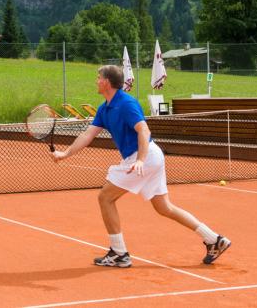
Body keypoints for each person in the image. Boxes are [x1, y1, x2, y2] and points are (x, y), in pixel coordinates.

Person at [52, 65, 230, 268]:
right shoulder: (105, 108)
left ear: (106, 82)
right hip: (147, 158)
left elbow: (143, 130)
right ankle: (214, 239)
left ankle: (119, 253)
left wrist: (140, 160)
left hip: (144, 157)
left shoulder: (126, 103)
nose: (96, 80)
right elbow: (87, 135)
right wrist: (64, 154)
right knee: (164, 208)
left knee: (105, 198)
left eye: (98, 77)